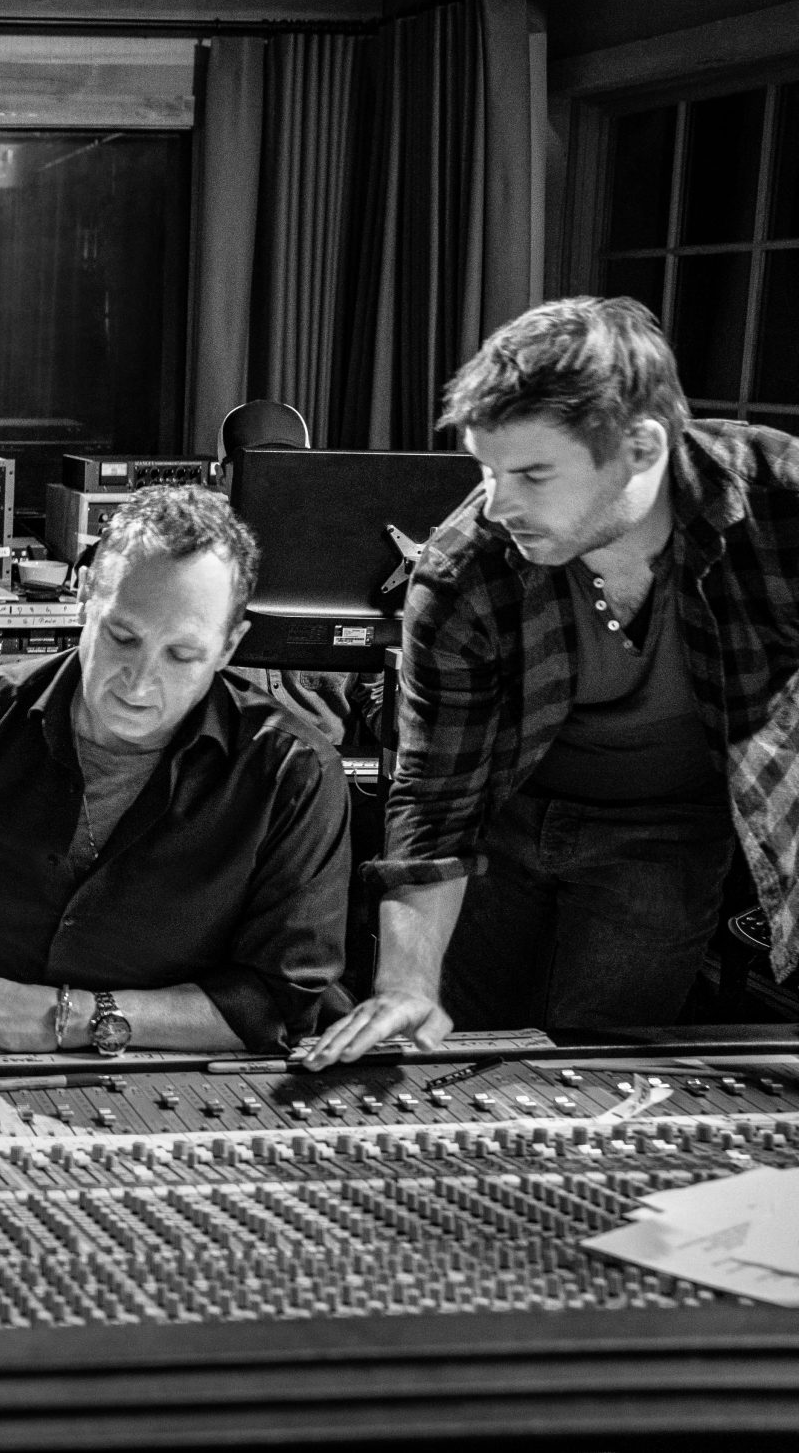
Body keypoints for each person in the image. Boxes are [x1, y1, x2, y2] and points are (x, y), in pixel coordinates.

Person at [303, 298, 799, 1067]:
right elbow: (434, 796)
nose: (498, 506)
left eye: (533, 474)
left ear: (641, 447)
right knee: (461, 1059)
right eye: (488, 471)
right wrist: (406, 982)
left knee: (598, 1068)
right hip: (500, 823)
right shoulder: (462, 569)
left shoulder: (781, 505)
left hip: (669, 832)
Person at [0, 487, 348, 1058]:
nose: (139, 681)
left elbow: (276, 1003)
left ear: (229, 646)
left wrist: (79, 1017)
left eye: (182, 656)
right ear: (86, 598)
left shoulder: (294, 773)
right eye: (123, 637)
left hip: (170, 1079)